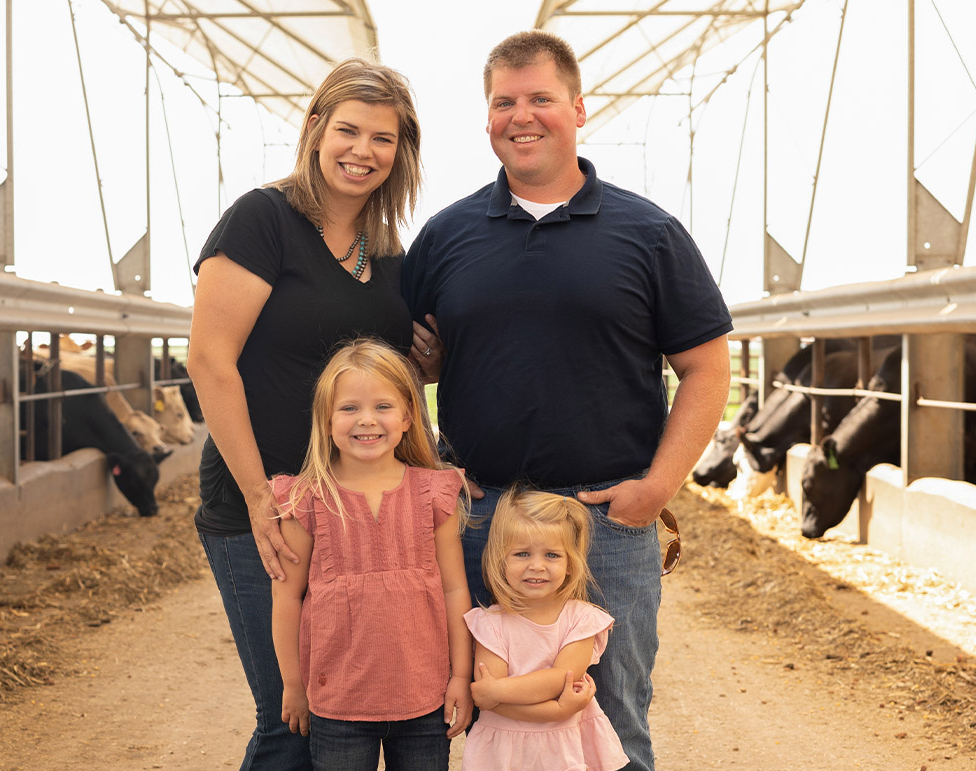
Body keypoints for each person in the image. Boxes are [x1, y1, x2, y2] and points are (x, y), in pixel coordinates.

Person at [401, 30, 733, 771]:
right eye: (504, 102)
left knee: (612, 722)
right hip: (482, 519)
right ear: (486, 118)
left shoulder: (649, 233)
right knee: (477, 710)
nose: (522, 116)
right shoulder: (447, 236)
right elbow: (393, 374)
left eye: (541, 99)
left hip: (606, 520)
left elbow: (708, 368)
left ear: (579, 108)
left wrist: (658, 487)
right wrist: (433, 467)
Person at [187, 59, 438, 770]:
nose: (363, 151)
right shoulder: (263, 220)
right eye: (349, 130)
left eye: (383, 139)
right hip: (263, 502)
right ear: (315, 128)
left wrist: (431, 361)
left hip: (356, 508)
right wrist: (260, 502)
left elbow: (388, 374)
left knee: (344, 715)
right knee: (290, 719)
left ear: (401, 152)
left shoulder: (388, 254)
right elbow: (210, 361)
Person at [268, 339, 474, 770]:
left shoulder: (433, 492)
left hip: (424, 698)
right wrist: (292, 685)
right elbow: (287, 598)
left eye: (382, 406)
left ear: (407, 418)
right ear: (325, 420)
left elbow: (455, 590)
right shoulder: (306, 499)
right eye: (348, 409)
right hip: (337, 702)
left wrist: (460, 677)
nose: (366, 420)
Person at [463, 488, 629, 771]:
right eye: (522, 553)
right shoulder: (489, 623)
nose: (536, 566)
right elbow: (489, 701)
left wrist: (502, 692)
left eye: (552, 555)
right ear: (500, 559)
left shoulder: (581, 620)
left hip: (563, 750)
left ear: (569, 564)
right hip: (503, 753)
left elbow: (560, 678)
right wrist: (557, 710)